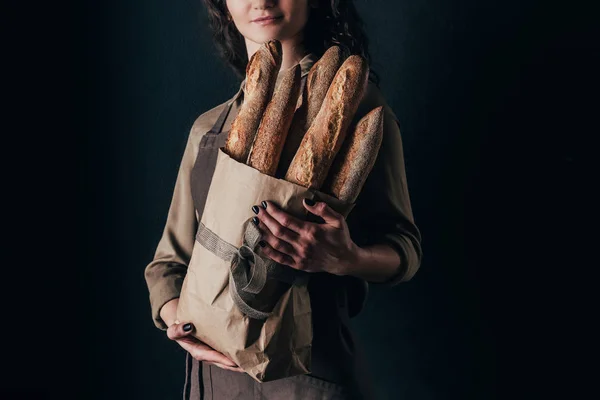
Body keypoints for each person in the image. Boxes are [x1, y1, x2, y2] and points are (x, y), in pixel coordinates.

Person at [144, 0, 423, 399]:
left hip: (309, 379)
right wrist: (181, 324)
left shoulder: (361, 111)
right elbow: (168, 264)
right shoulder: (208, 128)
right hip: (213, 382)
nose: (262, 1)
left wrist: (346, 258)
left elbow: (405, 249)